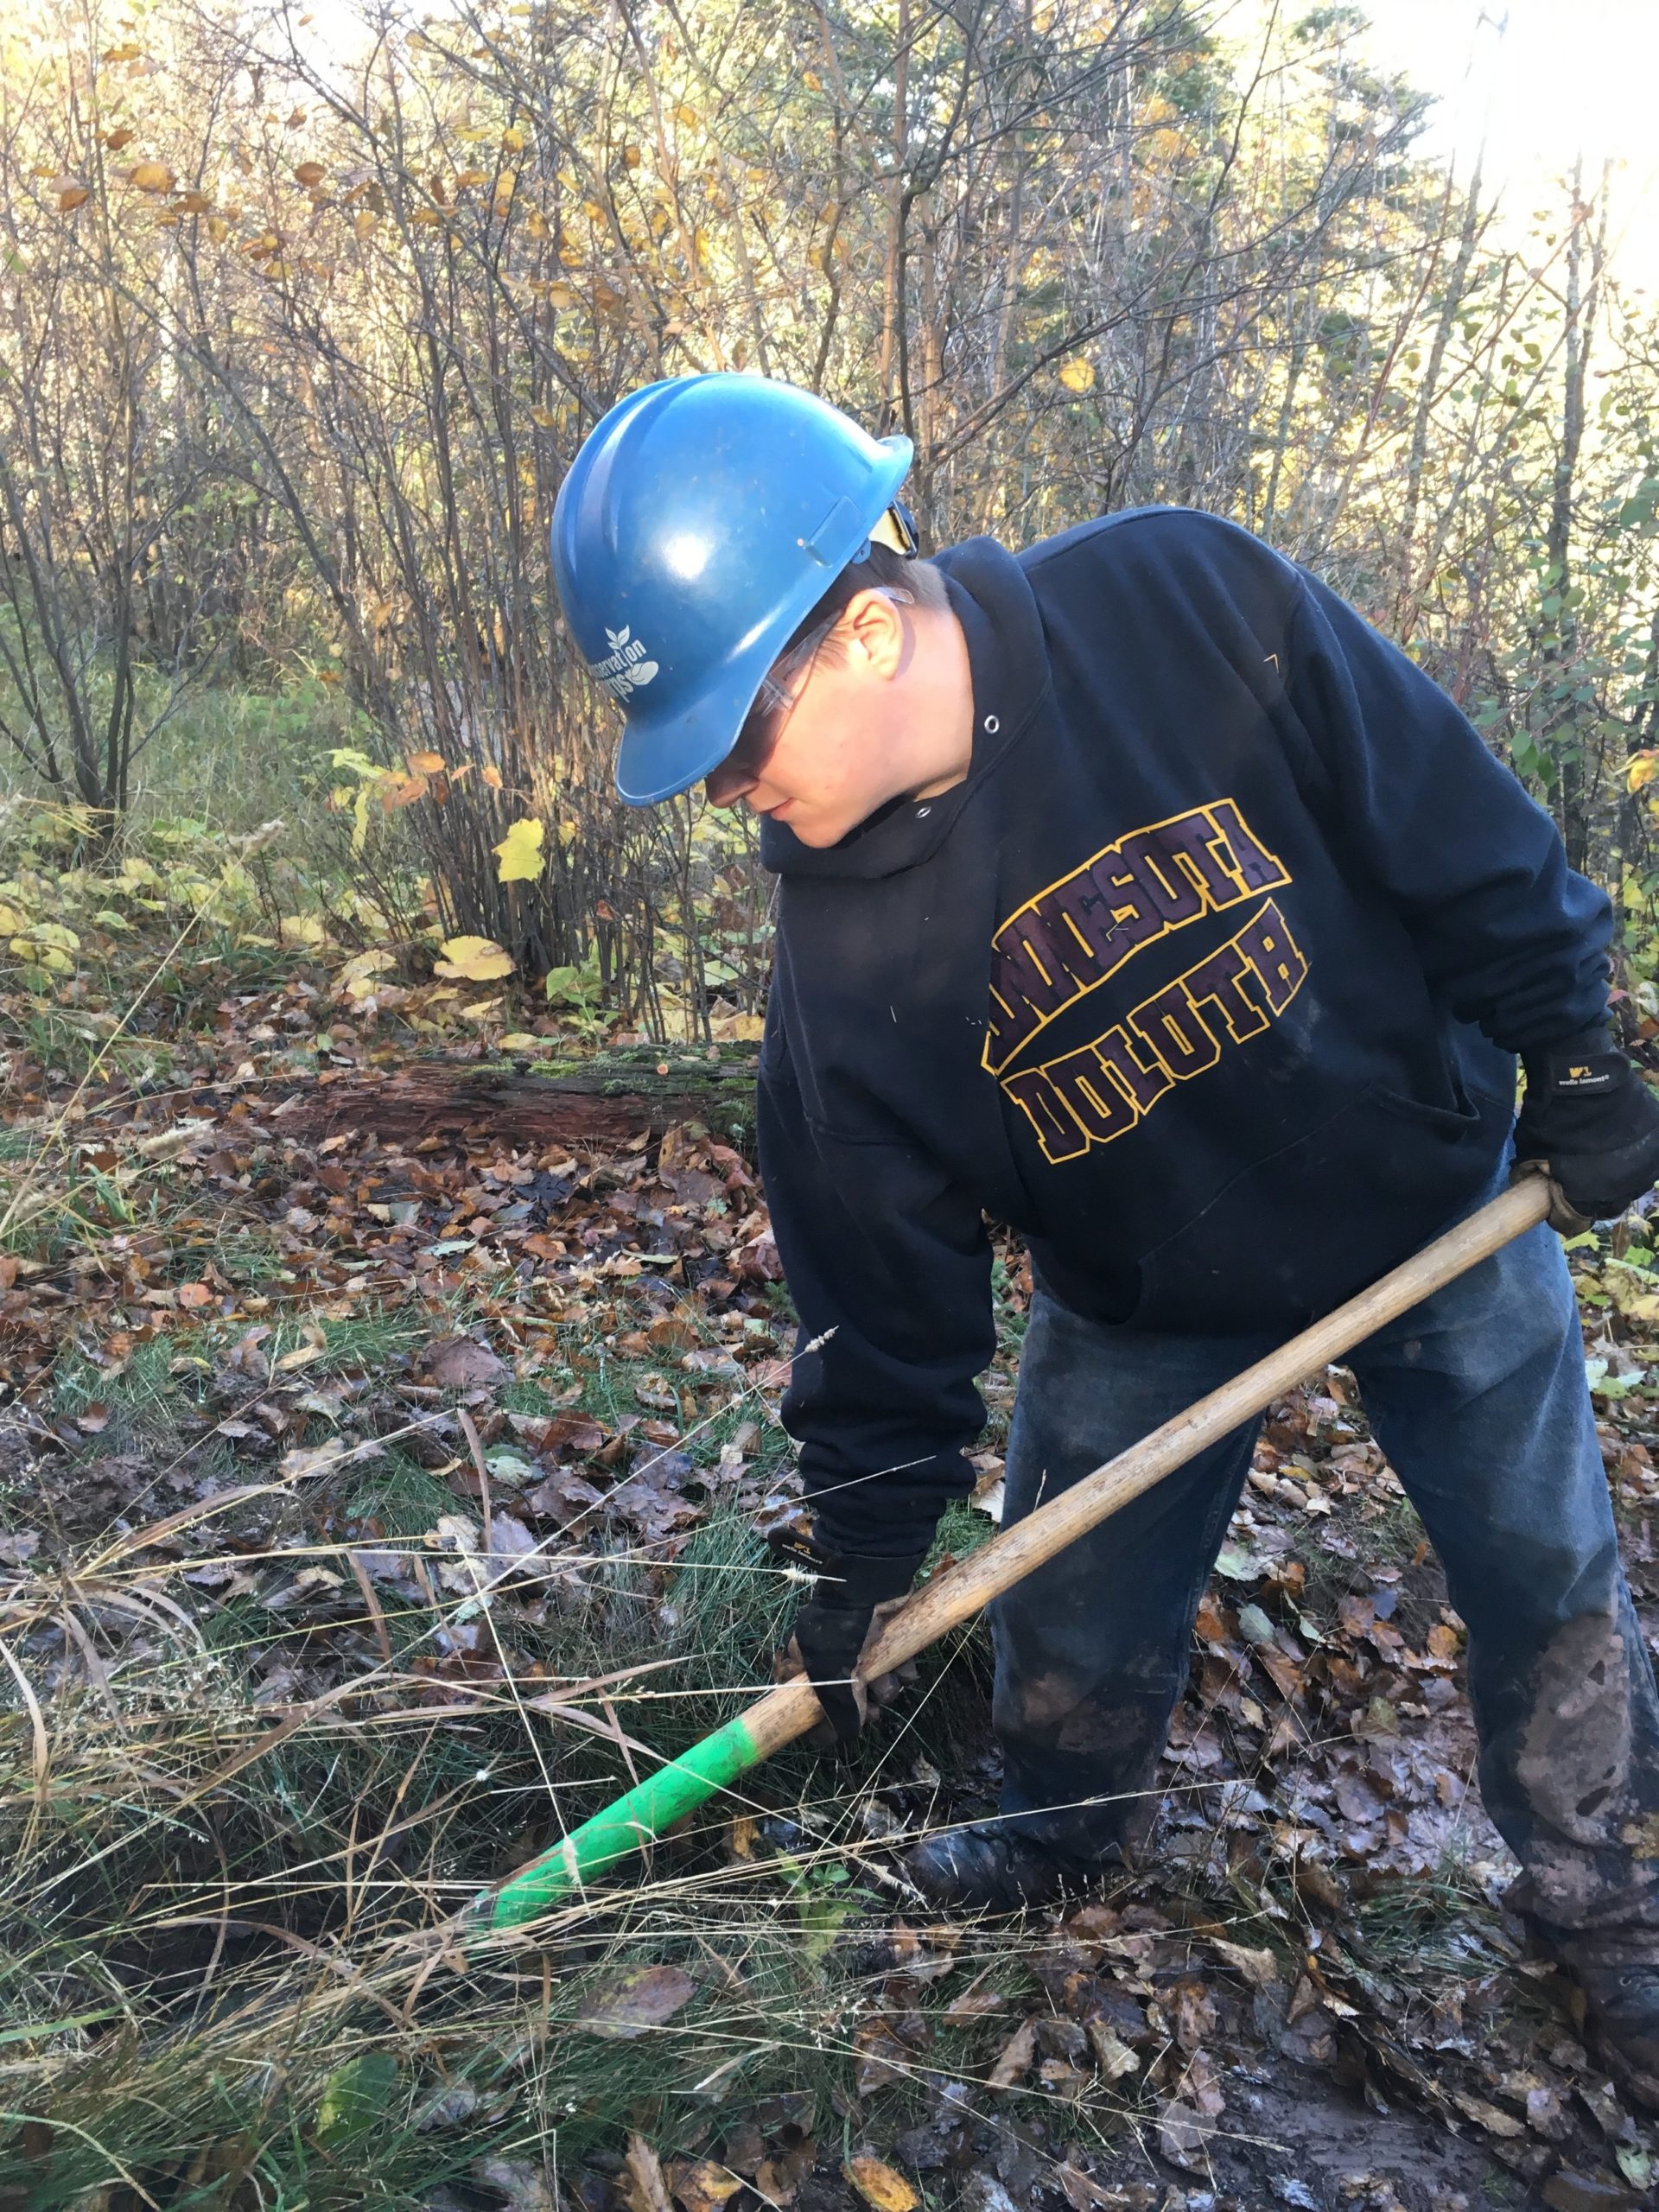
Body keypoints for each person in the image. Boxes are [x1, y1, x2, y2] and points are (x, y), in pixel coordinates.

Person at [551, 372, 1659, 2106]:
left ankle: (1602, 1891)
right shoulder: (838, 979)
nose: (728, 793)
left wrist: (1577, 1044)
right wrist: (862, 1549)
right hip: (1145, 1295)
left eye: (736, 740)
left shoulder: (1180, 601)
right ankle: (1057, 1840)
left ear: (853, 632)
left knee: (1545, 1568)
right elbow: (875, 1294)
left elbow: (1450, 819)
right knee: (1067, 1610)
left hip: (1435, 1198)